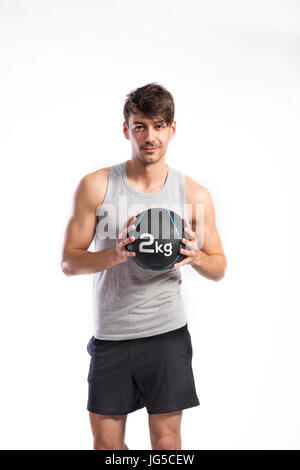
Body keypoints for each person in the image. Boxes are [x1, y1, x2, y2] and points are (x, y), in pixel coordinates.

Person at [60, 82, 227, 450]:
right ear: (126, 129)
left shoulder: (194, 195)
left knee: (166, 443)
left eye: (158, 126)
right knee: (106, 446)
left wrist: (196, 256)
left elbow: (219, 267)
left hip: (166, 335)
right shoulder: (97, 186)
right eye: (140, 126)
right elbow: (69, 261)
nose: (149, 136)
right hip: (112, 335)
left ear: (172, 129)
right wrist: (114, 254)